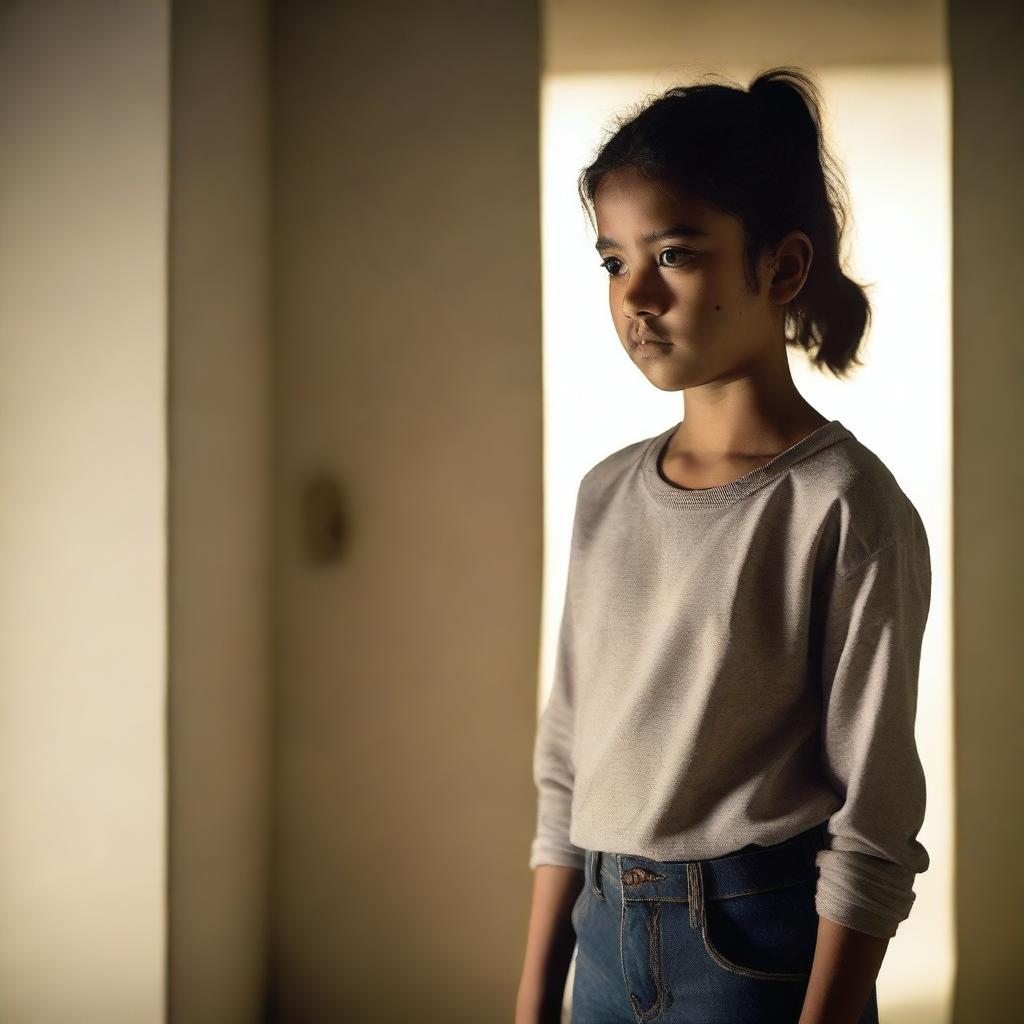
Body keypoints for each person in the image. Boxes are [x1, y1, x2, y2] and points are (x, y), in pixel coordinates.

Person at [514, 67, 932, 1024]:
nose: (637, 296)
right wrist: (537, 992)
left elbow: (876, 816)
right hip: (601, 939)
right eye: (613, 262)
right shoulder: (606, 494)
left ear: (780, 269)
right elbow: (568, 761)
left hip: (757, 956)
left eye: (674, 255)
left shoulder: (845, 506)